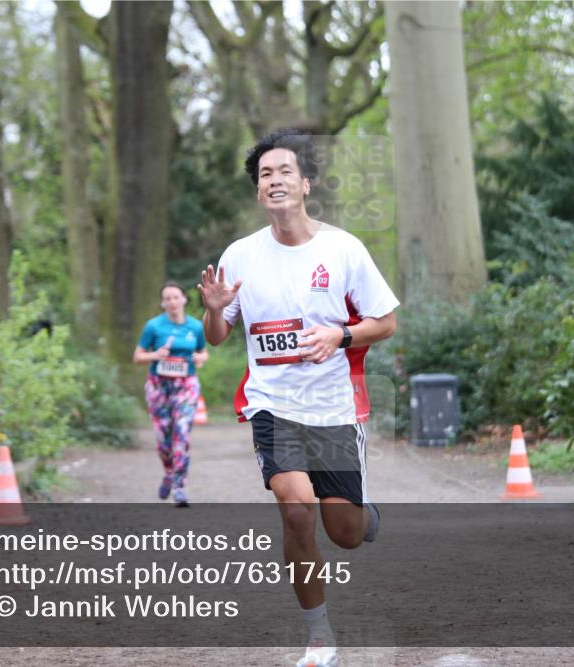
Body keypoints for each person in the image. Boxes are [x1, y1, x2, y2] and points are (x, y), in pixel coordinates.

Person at [198, 128, 399, 667]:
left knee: (346, 534)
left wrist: (340, 335)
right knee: (295, 511)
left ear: (305, 184)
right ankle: (318, 635)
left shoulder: (343, 249)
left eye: (285, 171)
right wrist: (215, 309)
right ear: (259, 191)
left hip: (332, 409)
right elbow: (216, 336)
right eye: (265, 174)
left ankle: (364, 516)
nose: (275, 180)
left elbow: (387, 322)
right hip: (272, 405)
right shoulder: (240, 256)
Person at [133, 281, 208, 507]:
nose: (172, 302)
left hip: (186, 385)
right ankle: (169, 472)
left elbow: (203, 352)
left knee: (182, 434)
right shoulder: (153, 327)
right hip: (159, 387)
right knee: (163, 440)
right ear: (162, 303)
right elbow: (138, 356)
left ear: (184, 299)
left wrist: (201, 358)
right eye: (167, 298)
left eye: (176, 297)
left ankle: (179, 486)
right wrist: (155, 355)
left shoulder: (195, 326)